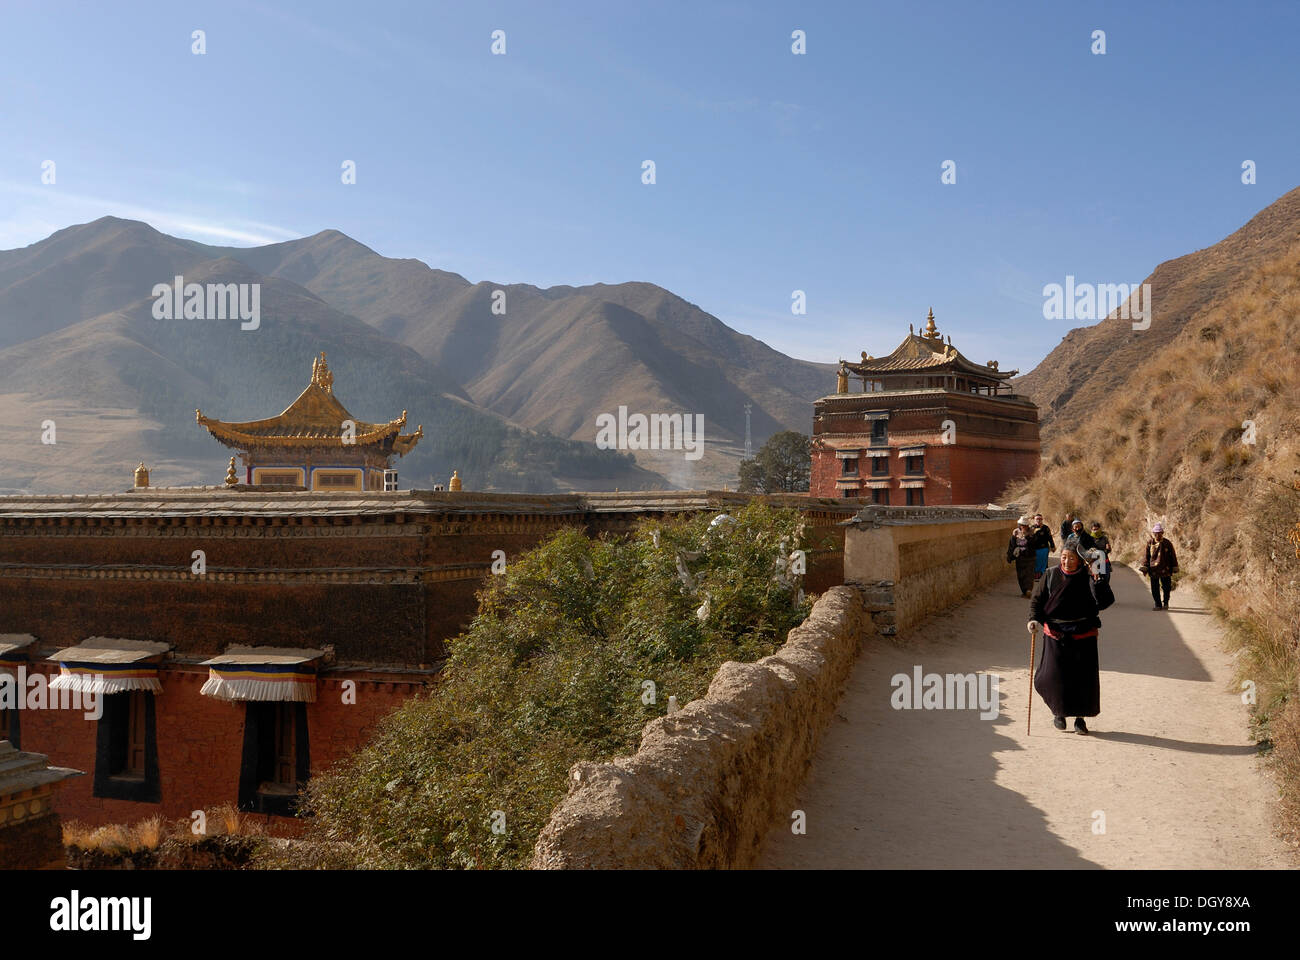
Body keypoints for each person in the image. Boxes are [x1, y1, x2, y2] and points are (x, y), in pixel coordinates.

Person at [1028, 534, 1115, 735]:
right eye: (1064, 557)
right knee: (1053, 676)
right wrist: (1033, 619)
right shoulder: (1050, 575)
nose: (1067, 561)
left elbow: (1104, 602)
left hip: (1083, 635)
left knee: (1082, 679)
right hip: (1055, 635)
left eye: (1072, 558)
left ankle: (1080, 720)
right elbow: (1036, 601)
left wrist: (1098, 577)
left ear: (1079, 560)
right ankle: (1058, 713)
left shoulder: (1088, 577)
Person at [1140, 522, 1178, 610]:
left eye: (1159, 533)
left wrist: (1174, 566)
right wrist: (1145, 566)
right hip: (1153, 569)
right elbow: (1147, 556)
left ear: (1162, 533)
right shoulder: (1150, 543)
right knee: (1154, 588)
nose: (1157, 535)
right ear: (1153, 534)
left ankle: (1166, 603)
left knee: (1166, 587)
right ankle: (1157, 604)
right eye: (1156, 533)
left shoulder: (1167, 543)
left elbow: (1173, 555)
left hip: (1165, 568)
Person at [1007, 516, 1036, 597]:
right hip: (1020, 557)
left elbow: (1034, 544)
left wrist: (1026, 536)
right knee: (1021, 575)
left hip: (1030, 556)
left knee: (1029, 574)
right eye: (1022, 524)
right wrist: (1009, 556)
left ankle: (1029, 590)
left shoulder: (1032, 532)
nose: (1023, 526)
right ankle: (1024, 591)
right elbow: (1012, 545)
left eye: (1025, 525)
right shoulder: (1015, 532)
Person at [1030, 513, 1055, 581]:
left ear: (1042, 520)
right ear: (1034, 520)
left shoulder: (1046, 528)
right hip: (1035, 549)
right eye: (1037, 519)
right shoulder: (1032, 528)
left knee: (1044, 563)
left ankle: (1044, 577)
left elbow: (1050, 537)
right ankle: (1037, 576)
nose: (1038, 520)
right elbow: (1029, 538)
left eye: (1040, 519)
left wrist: (1052, 546)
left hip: (1044, 548)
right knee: (1036, 562)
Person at [1089, 521, 1112, 585]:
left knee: (1106, 579)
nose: (1095, 531)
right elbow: (1087, 550)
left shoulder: (1104, 538)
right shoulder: (1089, 539)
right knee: (1093, 581)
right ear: (1091, 530)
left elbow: (1108, 548)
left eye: (1097, 529)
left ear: (1099, 529)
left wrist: (1107, 550)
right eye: (1094, 529)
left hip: (1104, 560)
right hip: (1093, 561)